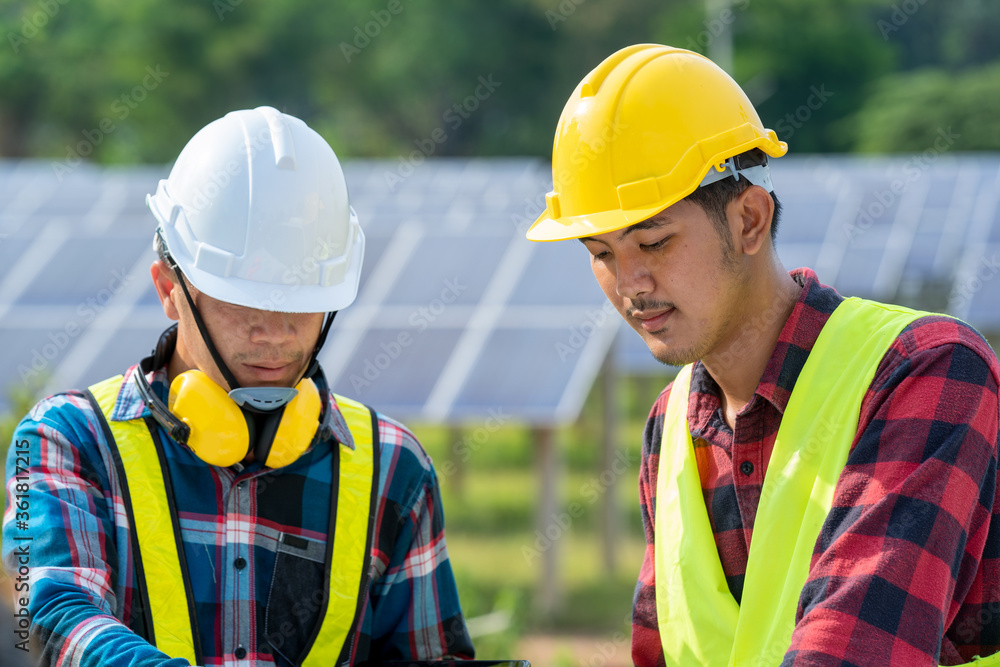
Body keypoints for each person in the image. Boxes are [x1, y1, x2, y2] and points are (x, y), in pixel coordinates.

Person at [526, 44, 1000, 666]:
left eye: (654, 241)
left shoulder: (927, 370)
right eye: (602, 253)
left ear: (750, 219)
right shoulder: (669, 429)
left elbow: (857, 651)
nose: (630, 282)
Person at [2, 106, 473, 666]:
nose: (273, 334)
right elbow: (53, 617)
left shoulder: (395, 469)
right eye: (242, 302)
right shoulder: (65, 442)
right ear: (168, 287)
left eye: (299, 304)